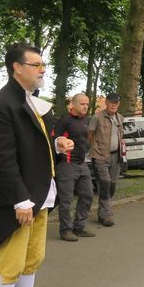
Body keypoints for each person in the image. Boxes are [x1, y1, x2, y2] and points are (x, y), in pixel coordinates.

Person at [0, 43, 74, 287]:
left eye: (43, 64)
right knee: (9, 264)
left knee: (31, 261)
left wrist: (56, 144)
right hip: (18, 201)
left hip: (40, 196)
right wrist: (20, 200)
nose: (42, 69)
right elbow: (2, 160)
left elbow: (34, 146)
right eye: (36, 65)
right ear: (17, 68)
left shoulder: (32, 103)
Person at [54, 93, 96, 242]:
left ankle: (79, 227)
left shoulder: (86, 120)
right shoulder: (65, 120)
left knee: (88, 195)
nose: (85, 106)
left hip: (82, 163)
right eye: (82, 104)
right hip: (66, 164)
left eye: (87, 104)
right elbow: (54, 138)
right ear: (74, 104)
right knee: (66, 199)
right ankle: (65, 230)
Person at [88, 92, 124, 227]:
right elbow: (90, 134)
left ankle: (102, 211)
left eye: (116, 103)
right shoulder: (97, 117)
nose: (114, 105)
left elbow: (121, 136)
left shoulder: (120, 118)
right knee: (105, 184)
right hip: (100, 156)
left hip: (116, 156)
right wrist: (95, 149)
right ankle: (106, 215)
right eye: (111, 102)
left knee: (112, 186)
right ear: (106, 102)